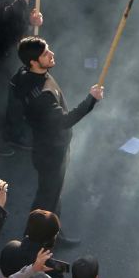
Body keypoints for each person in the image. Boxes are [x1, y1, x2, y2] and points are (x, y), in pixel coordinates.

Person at [11, 36, 103, 224]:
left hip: (47, 147)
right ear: (34, 62)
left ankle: (54, 232)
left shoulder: (24, 73)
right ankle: (38, 238)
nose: (51, 54)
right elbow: (64, 121)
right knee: (47, 197)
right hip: (51, 152)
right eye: (45, 54)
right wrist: (91, 100)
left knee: (53, 193)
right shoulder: (42, 96)